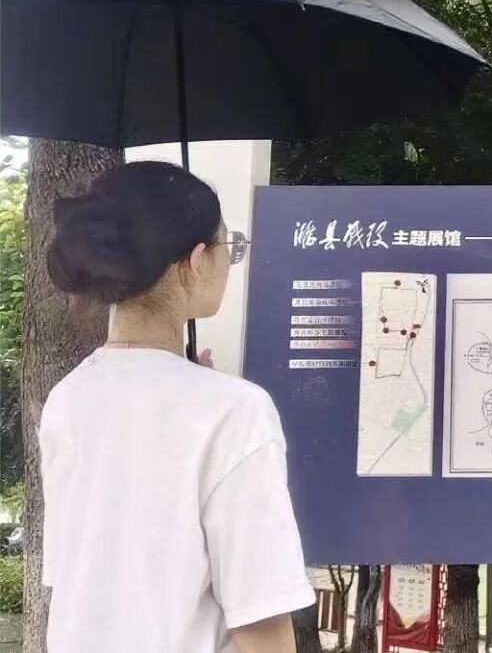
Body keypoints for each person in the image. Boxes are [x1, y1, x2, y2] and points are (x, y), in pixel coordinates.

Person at [39, 161, 313, 653]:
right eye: (229, 247)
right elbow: (259, 616)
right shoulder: (236, 411)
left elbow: (72, 574)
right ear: (197, 260)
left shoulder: (67, 398)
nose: (230, 262)